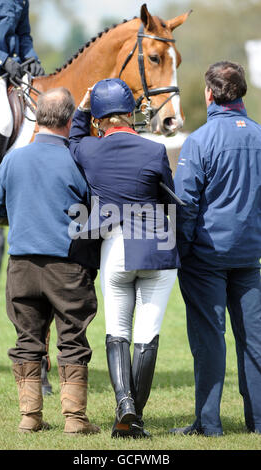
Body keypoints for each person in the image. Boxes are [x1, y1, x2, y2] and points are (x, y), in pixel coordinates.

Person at [69, 78, 180, 438]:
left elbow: (73, 139)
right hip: (156, 246)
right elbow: (168, 197)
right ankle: (134, 420)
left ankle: (125, 407)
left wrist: (82, 108)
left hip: (114, 247)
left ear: (100, 120)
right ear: (131, 114)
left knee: (117, 331)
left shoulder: (89, 150)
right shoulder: (154, 150)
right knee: (147, 335)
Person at [0, 87, 100, 435]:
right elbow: (93, 209)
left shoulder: (13, 158)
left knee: (27, 340)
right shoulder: (78, 159)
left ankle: (29, 417)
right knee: (72, 339)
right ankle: (75, 419)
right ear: (69, 121)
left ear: (36, 116)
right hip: (67, 265)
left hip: (21, 264)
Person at [172, 61, 261, 436]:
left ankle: (209, 424)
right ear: (241, 92)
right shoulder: (258, 135)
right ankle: (257, 423)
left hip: (206, 257)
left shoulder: (200, 140)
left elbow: (184, 203)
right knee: (254, 342)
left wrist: (184, 249)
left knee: (210, 341)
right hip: (250, 257)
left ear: (209, 94)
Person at [0, 0, 45, 205]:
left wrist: (32, 59)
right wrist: (3, 61)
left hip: (12, 69)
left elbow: (23, 35)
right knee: (3, 121)